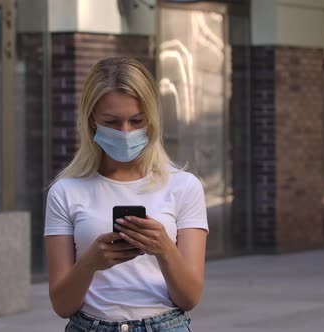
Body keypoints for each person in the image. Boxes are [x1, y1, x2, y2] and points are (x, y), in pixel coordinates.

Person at [44, 57, 208, 332]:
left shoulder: (184, 187)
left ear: (152, 120)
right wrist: (90, 263)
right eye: (112, 121)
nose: (125, 132)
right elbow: (62, 306)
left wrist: (164, 249)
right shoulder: (66, 191)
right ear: (92, 120)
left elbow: (189, 298)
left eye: (136, 121)